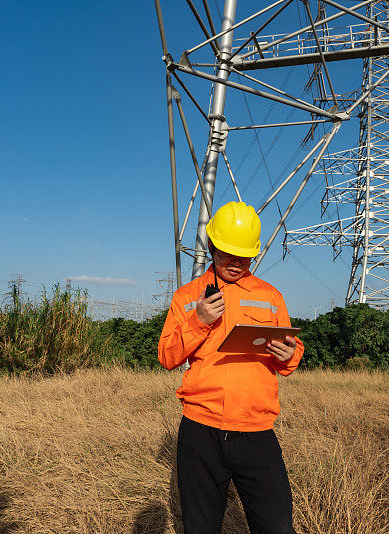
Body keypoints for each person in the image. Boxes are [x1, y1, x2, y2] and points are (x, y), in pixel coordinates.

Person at [158, 201, 303, 534]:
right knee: (200, 528)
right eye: (226, 255)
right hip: (200, 432)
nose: (235, 263)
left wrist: (288, 354)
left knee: (277, 527)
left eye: (244, 256)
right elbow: (167, 356)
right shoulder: (187, 297)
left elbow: (290, 358)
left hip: (256, 431)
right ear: (211, 247)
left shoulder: (271, 297)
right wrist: (200, 321)